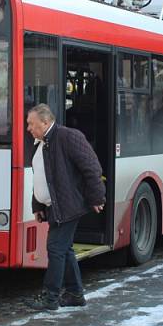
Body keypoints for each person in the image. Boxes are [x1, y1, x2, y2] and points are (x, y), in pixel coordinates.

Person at [26, 103, 105, 310]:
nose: (28, 128)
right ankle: (75, 294)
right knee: (65, 249)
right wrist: (38, 205)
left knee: (55, 248)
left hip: (68, 205)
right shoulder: (40, 143)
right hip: (54, 206)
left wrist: (97, 198)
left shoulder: (68, 136)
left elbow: (92, 167)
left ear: (45, 122)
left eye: (31, 124)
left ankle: (50, 297)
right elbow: (41, 178)